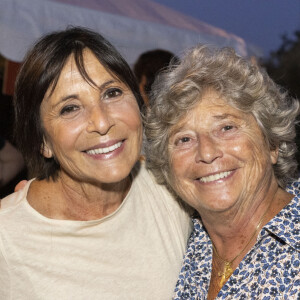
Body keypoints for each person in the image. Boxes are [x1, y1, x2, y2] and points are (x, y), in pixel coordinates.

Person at [0, 27, 192, 299]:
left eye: (112, 93)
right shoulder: (7, 237)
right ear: (43, 141)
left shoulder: (173, 192)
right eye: (70, 108)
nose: (102, 122)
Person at [145, 44, 300, 299]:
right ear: (167, 167)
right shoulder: (187, 245)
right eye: (184, 139)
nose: (206, 153)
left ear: (272, 143)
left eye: (226, 128)